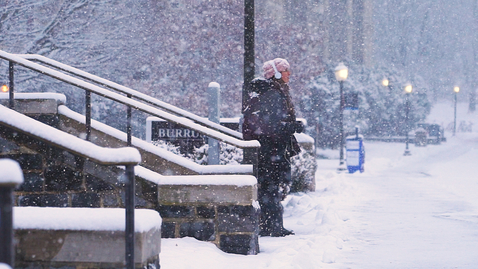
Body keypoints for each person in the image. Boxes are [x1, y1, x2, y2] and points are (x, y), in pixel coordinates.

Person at [242, 58, 304, 237]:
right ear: (276, 74)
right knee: (271, 187)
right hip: (271, 150)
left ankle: (270, 225)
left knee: (269, 188)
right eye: (286, 70)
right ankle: (273, 227)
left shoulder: (270, 93)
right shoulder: (273, 94)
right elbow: (272, 125)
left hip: (267, 150)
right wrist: (292, 127)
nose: (289, 74)